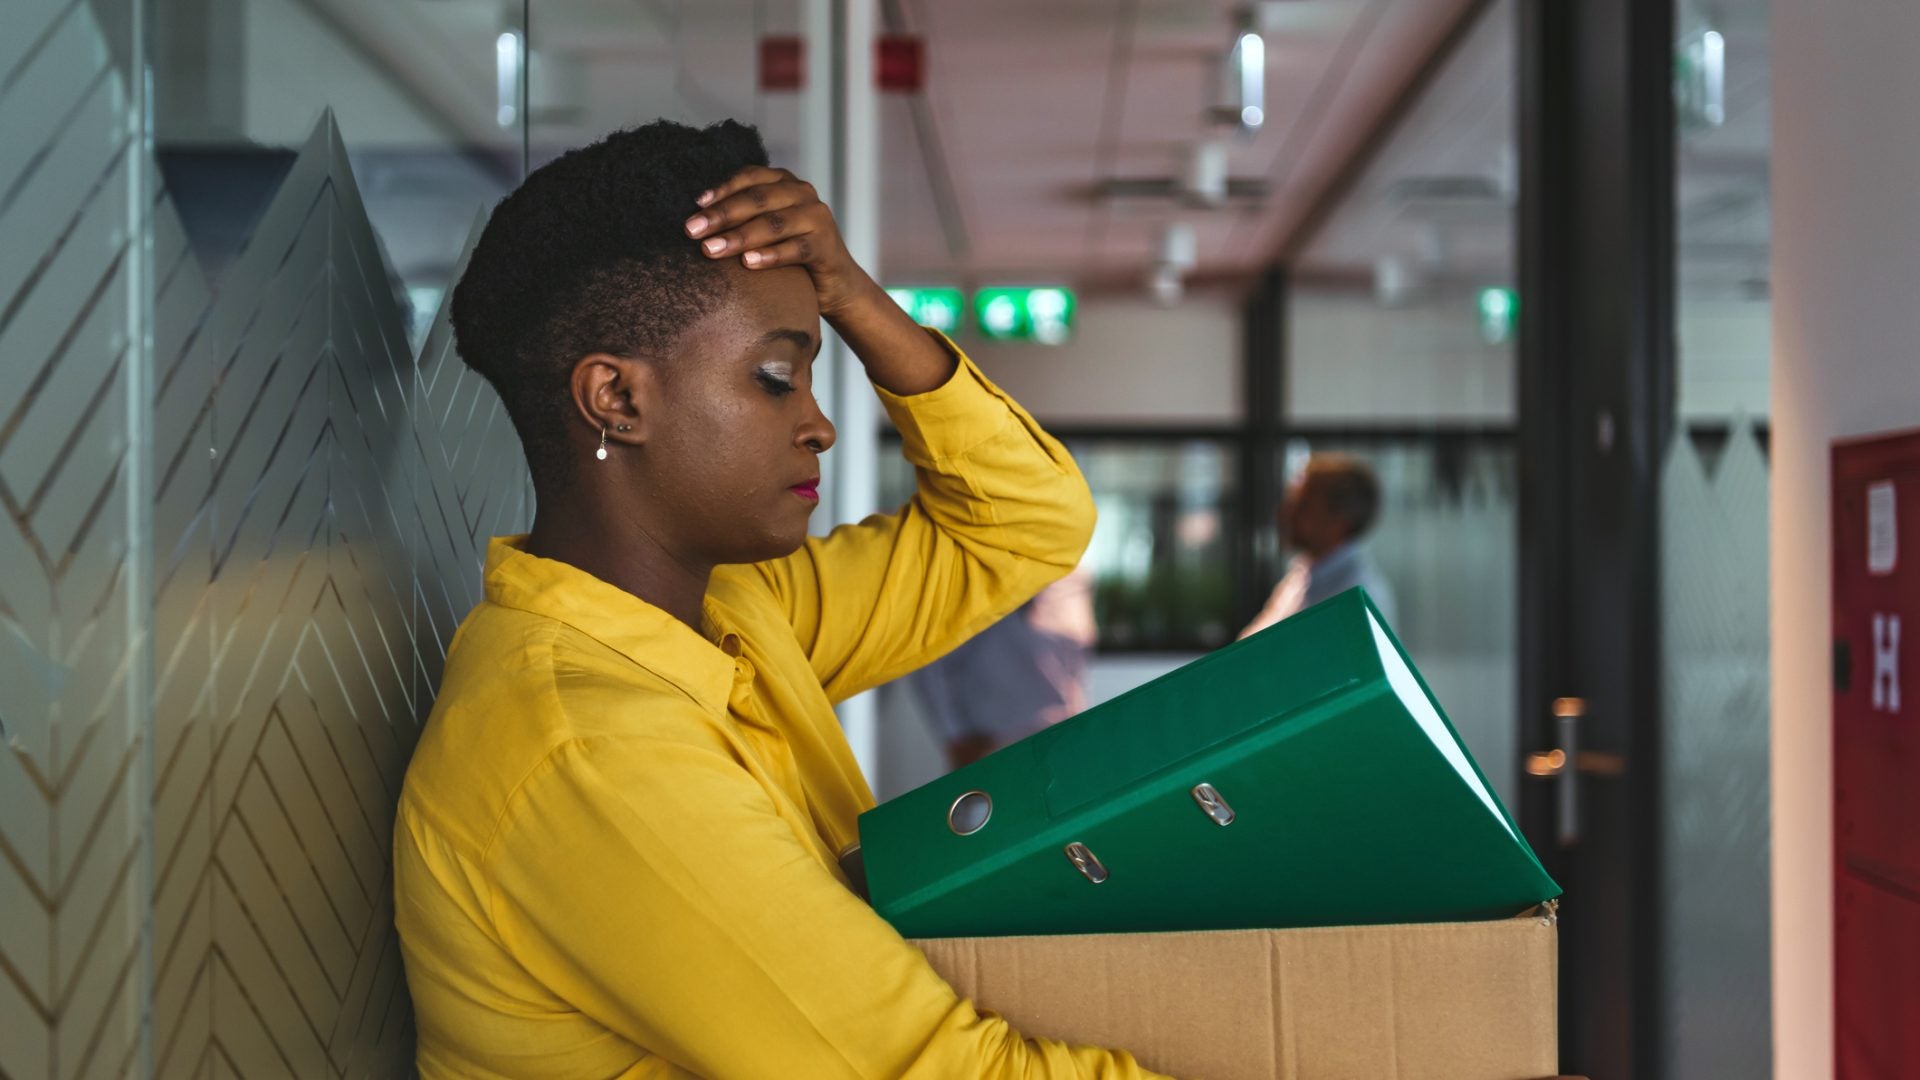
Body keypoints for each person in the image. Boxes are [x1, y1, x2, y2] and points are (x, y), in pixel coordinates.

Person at [391, 120, 1168, 1078]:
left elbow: (1025, 522)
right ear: (616, 400)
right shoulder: (589, 754)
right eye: (774, 378)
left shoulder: (734, 616)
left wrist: (852, 292)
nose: (820, 424)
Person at [910, 568, 1096, 768]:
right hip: (989, 748)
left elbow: (1074, 664)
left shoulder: (1074, 578)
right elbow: (929, 661)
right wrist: (955, 735)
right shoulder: (970, 574)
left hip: (1060, 741)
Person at [1239, 453, 1396, 639]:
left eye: (1303, 506)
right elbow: (1250, 643)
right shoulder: (1301, 576)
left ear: (1339, 523)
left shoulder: (1358, 596)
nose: (1284, 514)